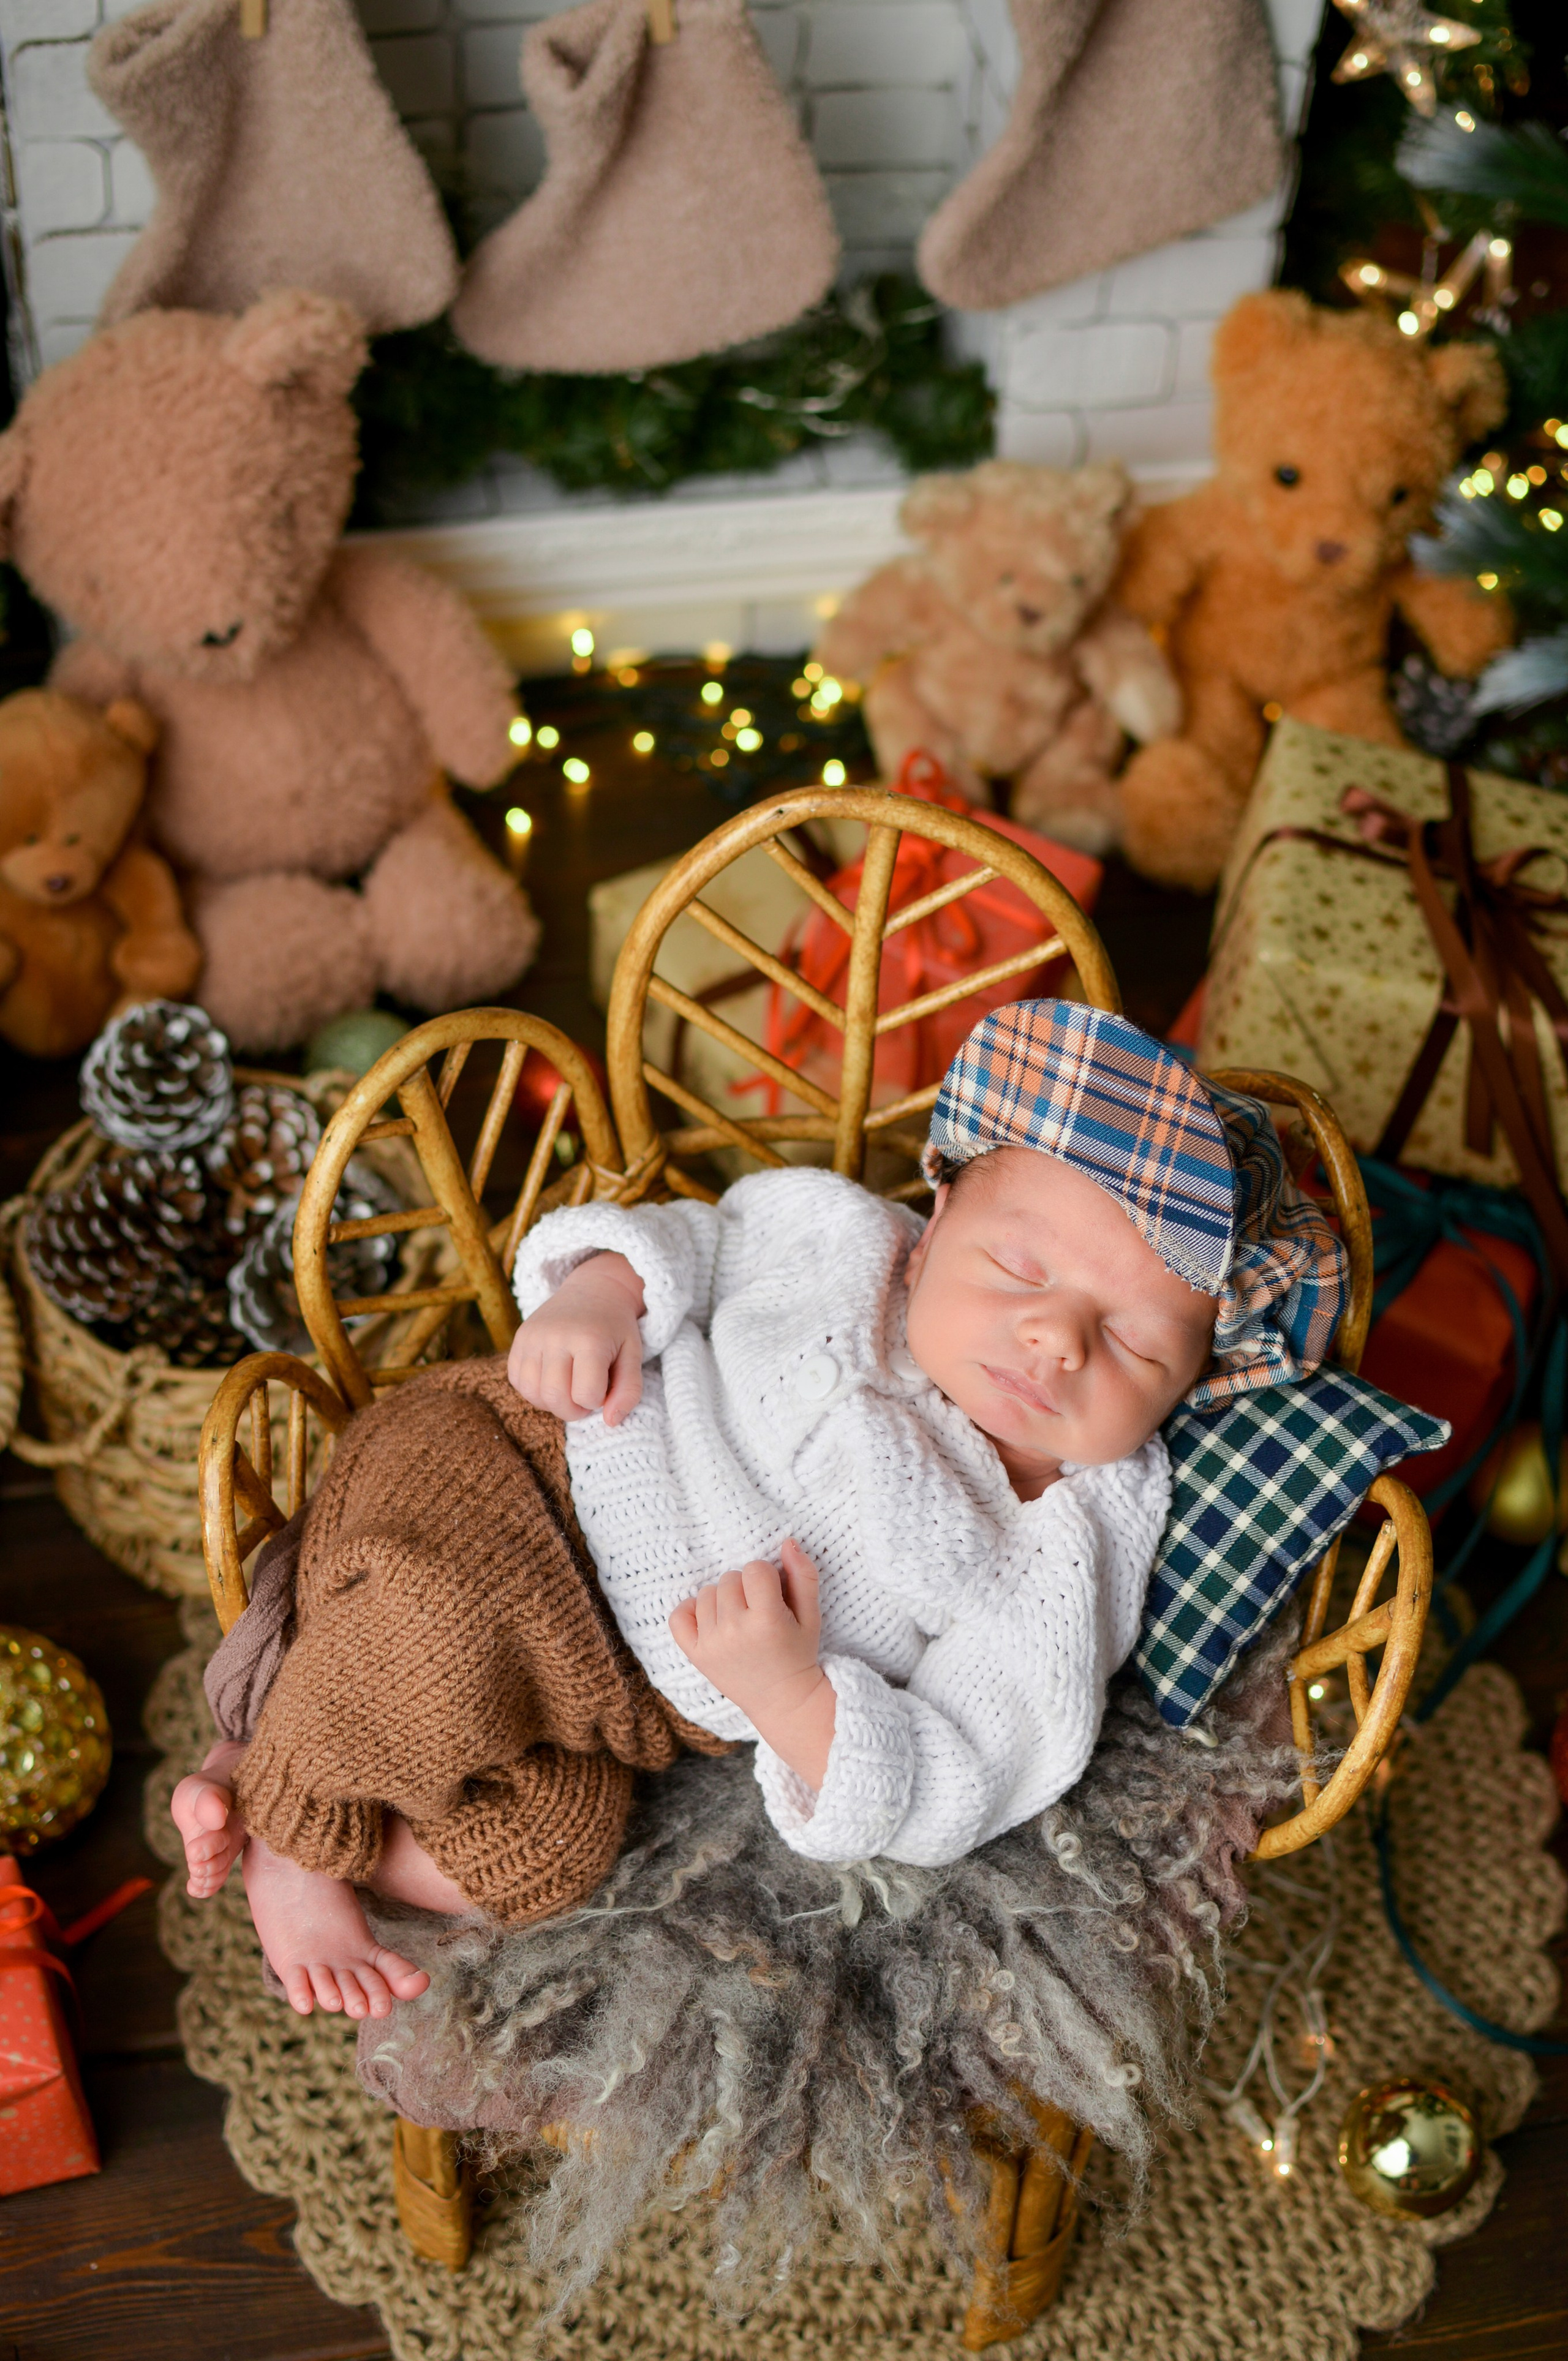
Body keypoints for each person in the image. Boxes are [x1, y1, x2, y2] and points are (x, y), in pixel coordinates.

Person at [172, 1000, 1346, 2019]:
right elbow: (695, 1237)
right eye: (1022, 1273)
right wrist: (598, 1297)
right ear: (935, 1231)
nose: (1056, 1338)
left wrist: (791, 1697)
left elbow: (972, 1766)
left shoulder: (1068, 1549)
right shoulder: (845, 1245)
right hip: (532, 1463)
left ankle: (270, 1728)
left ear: (1196, 1380)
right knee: (437, 1636)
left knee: (548, 1852)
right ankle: (292, 1829)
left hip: (627, 1703)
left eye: (1135, 1341)